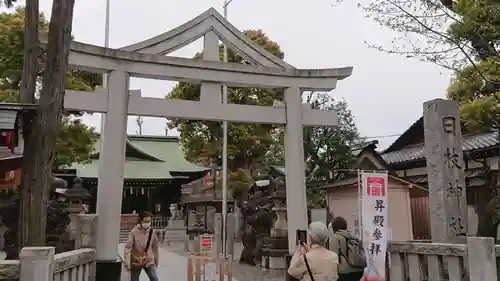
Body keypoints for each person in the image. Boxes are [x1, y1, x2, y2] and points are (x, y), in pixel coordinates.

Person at [124, 211, 160, 281]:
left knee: (154, 278)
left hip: (149, 260)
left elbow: (155, 247)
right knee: (134, 279)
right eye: (145, 221)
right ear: (140, 221)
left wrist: (156, 260)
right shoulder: (134, 232)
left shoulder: (152, 232)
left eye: (149, 221)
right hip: (137, 259)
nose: (147, 223)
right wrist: (127, 262)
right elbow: (128, 248)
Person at [329, 216, 364, 281]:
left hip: (344, 272)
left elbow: (333, 257)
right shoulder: (352, 236)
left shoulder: (335, 238)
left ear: (334, 227)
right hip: (359, 270)